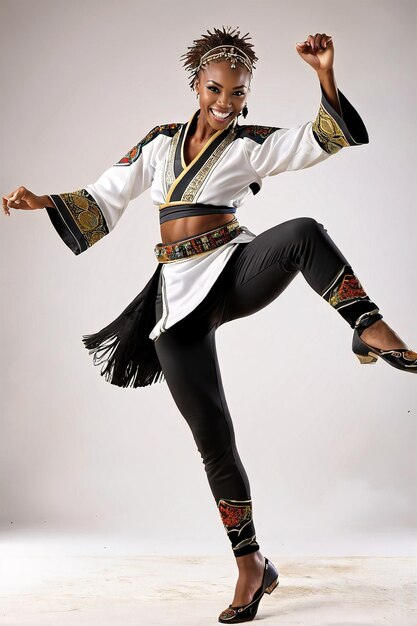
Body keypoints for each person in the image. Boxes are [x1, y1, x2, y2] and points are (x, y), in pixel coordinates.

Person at [3, 25, 416, 624]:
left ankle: (368, 325)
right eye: (216, 91)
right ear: (196, 84)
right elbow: (107, 195)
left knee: (302, 231)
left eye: (238, 94)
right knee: (214, 442)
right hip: (173, 305)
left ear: (248, 94)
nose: (226, 105)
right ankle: (252, 565)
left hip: (232, 271)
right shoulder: (159, 143)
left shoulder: (249, 145)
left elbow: (322, 137)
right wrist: (44, 201)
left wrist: (324, 75)